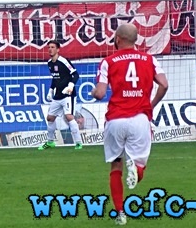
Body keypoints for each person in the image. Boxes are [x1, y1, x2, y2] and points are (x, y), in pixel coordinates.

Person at [92, 23, 168, 226]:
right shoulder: (150, 60)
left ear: (118, 39)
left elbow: (100, 93)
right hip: (140, 119)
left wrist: (93, 92)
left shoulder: (108, 61)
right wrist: (150, 105)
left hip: (116, 120)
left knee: (115, 164)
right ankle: (136, 168)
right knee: (139, 165)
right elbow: (164, 84)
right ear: (136, 40)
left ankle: (120, 214)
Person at [38, 40, 83, 150]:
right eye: (49, 47)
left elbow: (75, 74)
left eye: (53, 47)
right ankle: (50, 142)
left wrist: (71, 86)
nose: (50, 49)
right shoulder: (49, 63)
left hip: (68, 94)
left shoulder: (63, 61)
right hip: (58, 95)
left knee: (69, 116)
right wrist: (51, 90)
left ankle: (78, 142)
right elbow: (55, 78)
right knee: (50, 118)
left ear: (58, 49)